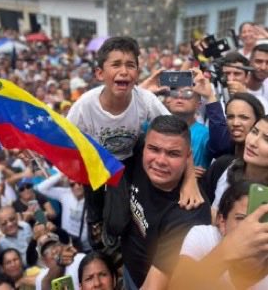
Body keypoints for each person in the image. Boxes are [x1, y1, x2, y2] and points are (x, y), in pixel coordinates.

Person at [67, 37, 203, 246]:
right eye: (116, 64)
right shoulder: (85, 105)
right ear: (100, 73)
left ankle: (122, 229)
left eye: (130, 65)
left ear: (137, 74)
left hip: (129, 159)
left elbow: (180, 134)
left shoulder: (145, 99)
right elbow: (62, 138)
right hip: (98, 164)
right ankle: (97, 225)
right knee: (108, 215)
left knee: (123, 215)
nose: (124, 71)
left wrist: (190, 179)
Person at [120, 115, 211, 290]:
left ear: (187, 157)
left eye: (173, 154)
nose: (160, 161)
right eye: (154, 149)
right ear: (144, 147)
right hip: (128, 267)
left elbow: (154, 286)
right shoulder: (140, 155)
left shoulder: (190, 213)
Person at [170, 181, 268, 289]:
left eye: (263, 221)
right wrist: (228, 251)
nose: (252, 229)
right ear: (222, 222)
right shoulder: (204, 238)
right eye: (241, 218)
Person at [204, 92, 264, 207]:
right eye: (230, 117)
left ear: (258, 122)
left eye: (244, 117)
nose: (235, 123)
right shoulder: (222, 164)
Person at [35, 173, 89, 252]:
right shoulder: (65, 193)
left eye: (80, 183)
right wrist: (62, 174)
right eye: (72, 184)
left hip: (86, 246)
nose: (77, 187)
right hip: (66, 241)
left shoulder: (92, 198)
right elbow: (40, 188)